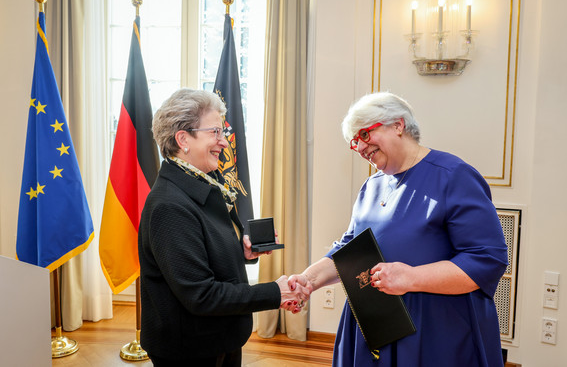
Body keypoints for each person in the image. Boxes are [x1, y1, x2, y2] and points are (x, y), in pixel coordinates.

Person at [287, 92, 508, 366]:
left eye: (364, 134)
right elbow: (349, 250)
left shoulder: (453, 176)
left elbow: (487, 259)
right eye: (353, 142)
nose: (359, 147)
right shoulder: (372, 185)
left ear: (398, 125)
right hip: (375, 323)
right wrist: (308, 281)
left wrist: (411, 277)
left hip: (435, 329)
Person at [138, 88, 309, 366]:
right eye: (215, 133)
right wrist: (275, 293)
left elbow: (200, 250)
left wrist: (240, 250)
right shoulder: (169, 206)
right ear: (183, 139)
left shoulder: (204, 181)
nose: (225, 143)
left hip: (216, 337)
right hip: (189, 349)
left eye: (223, 133)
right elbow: (201, 295)